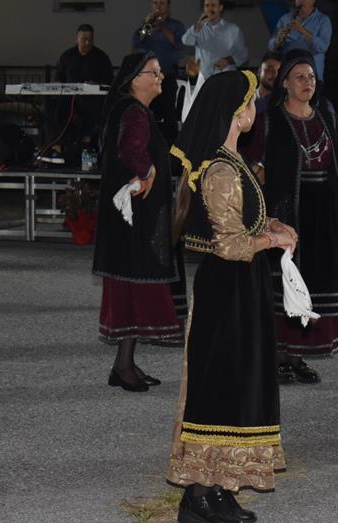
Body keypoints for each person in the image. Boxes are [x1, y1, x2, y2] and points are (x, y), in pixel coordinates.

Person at [167, 70, 297, 523]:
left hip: (243, 286)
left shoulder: (232, 161)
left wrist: (272, 226)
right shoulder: (221, 170)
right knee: (220, 385)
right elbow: (229, 244)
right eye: (251, 100)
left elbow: (243, 223)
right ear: (236, 110)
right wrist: (272, 241)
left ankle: (219, 487)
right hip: (227, 291)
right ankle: (199, 495)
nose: (255, 107)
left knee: (239, 383)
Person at [242, 49, 338, 384]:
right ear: (285, 83)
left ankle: (297, 356)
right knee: (283, 281)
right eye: (299, 77)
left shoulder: (326, 118)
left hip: (321, 214)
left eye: (310, 77)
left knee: (311, 282)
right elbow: (245, 157)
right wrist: (256, 174)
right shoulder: (269, 120)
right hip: (286, 214)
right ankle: (278, 356)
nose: (307, 82)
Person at [92, 52, 186, 392]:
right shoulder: (133, 112)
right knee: (134, 286)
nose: (160, 77)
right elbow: (131, 148)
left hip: (130, 219)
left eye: (160, 72)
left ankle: (125, 363)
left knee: (132, 287)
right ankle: (123, 366)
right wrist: (148, 170)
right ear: (134, 80)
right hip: (135, 222)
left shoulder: (132, 110)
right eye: (153, 72)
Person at [41, 24, 114, 165]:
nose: (86, 42)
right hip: (69, 99)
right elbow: (59, 77)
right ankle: (56, 147)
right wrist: (57, 83)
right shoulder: (67, 56)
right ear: (77, 39)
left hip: (90, 100)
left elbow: (109, 81)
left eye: (89, 39)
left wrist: (95, 84)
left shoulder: (101, 58)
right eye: (83, 39)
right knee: (51, 105)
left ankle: (86, 142)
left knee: (95, 105)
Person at [132, 0, 185, 143]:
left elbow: (180, 44)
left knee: (169, 115)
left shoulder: (176, 25)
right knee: (148, 113)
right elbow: (136, 42)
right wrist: (146, 24)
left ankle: (170, 147)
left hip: (167, 76)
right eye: (155, 3)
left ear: (168, 6)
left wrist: (163, 28)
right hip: (149, 77)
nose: (158, 6)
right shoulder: (148, 25)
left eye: (161, 3)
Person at [181, 0, 248, 80]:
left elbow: (243, 56)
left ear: (220, 8)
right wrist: (197, 25)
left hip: (225, 79)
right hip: (204, 80)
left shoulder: (233, 30)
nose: (209, 9)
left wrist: (228, 60)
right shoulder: (198, 29)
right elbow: (185, 40)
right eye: (207, 5)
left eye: (213, 5)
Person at [268, 0, 332, 81]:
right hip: (288, 74)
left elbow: (323, 47)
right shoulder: (285, 19)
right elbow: (271, 46)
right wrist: (277, 40)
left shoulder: (323, 20)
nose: (301, 1)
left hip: (311, 77)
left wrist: (303, 31)